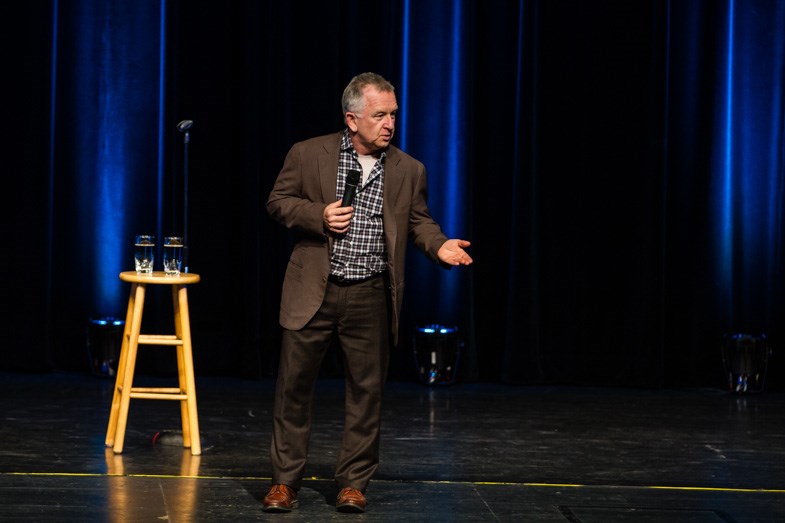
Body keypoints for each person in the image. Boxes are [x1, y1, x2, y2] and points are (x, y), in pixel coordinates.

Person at [263, 72, 473, 514]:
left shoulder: (408, 169)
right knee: (294, 389)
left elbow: (418, 222)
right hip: (313, 290)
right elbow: (278, 202)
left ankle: (353, 483)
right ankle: (285, 483)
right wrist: (317, 214)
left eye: (393, 114)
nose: (389, 123)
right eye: (380, 115)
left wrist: (440, 244)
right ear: (352, 119)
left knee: (366, 393)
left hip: (370, 295)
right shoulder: (308, 153)